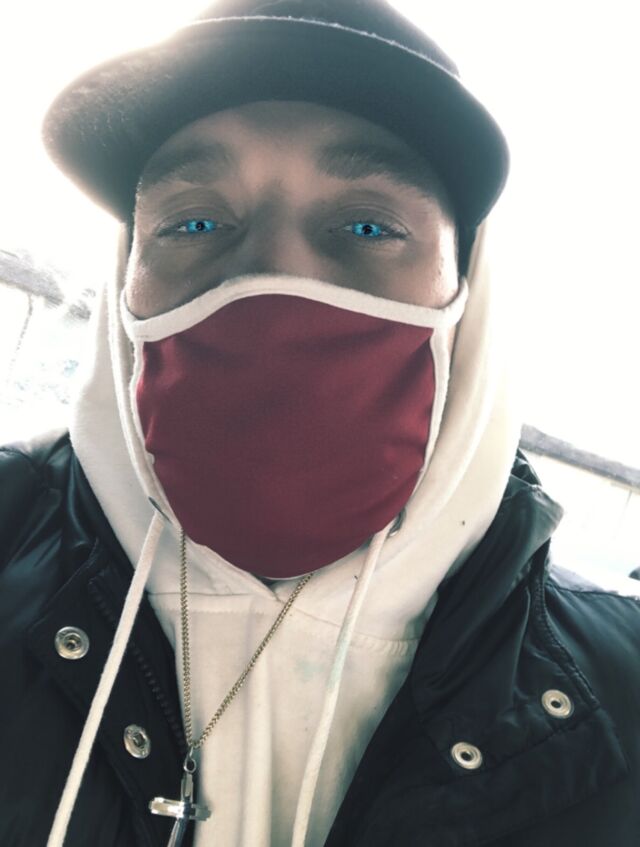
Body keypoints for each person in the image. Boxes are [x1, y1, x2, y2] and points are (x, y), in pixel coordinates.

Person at [1, 2, 638, 846]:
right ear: (126, 276)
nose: (270, 271)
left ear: (468, 293)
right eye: (193, 222)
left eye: (369, 227)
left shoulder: (620, 698)